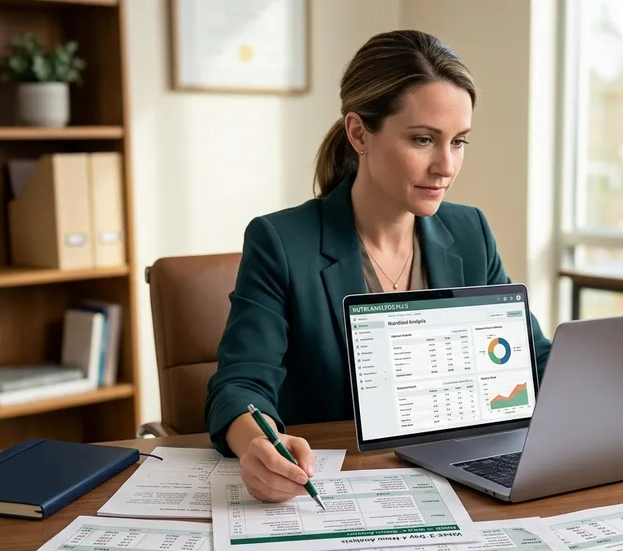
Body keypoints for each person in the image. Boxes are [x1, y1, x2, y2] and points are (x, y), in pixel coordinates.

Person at [204, 30, 553, 503]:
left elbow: (535, 358)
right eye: (424, 139)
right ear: (358, 132)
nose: (446, 166)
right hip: (340, 491)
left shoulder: (470, 231)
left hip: (461, 484)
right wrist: (260, 443)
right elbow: (240, 384)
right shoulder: (282, 242)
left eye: (459, 141)